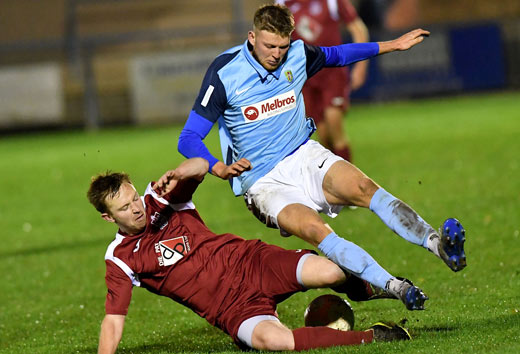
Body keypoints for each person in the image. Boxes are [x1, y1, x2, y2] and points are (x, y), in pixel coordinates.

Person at [178, 4, 466, 311]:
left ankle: (439, 245)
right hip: (262, 182)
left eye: (282, 46)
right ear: (252, 37)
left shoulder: (298, 54)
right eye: (269, 46)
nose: (276, 54)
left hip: (303, 153)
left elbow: (339, 54)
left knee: (365, 188)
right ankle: (395, 287)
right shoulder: (225, 73)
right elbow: (189, 137)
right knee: (318, 232)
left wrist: (393, 45)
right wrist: (217, 166)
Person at [87, 158, 412, 353]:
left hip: (251, 263)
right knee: (272, 341)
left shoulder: (160, 197)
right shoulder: (121, 258)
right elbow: (114, 321)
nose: (135, 209)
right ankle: (374, 335)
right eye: (124, 208)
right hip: (230, 308)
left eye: (133, 199)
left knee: (330, 272)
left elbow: (200, 167)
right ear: (108, 217)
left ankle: (367, 288)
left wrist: (178, 172)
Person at [275, 0, 370, 161]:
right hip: (305, 76)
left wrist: (361, 67)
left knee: (334, 123)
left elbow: (358, 29)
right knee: (324, 134)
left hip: (332, 73)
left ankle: (350, 183)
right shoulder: (283, 3)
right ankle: (334, 177)